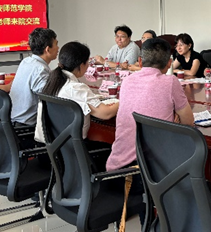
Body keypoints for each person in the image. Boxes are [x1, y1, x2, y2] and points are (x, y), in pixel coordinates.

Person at [107, 38, 194, 172]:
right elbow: (188, 122)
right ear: (169, 63)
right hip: (151, 173)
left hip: (117, 170)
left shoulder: (127, 81)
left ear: (140, 61)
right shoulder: (170, 82)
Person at [35, 41, 118, 144]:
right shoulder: (76, 88)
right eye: (87, 62)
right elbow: (106, 113)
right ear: (81, 65)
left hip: (55, 145)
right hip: (76, 148)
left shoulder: (53, 81)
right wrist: (122, 101)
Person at [10, 28, 59, 128]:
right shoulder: (40, 69)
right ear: (48, 49)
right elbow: (50, 99)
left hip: (14, 121)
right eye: (56, 44)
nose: (58, 48)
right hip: (26, 127)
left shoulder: (26, 61)